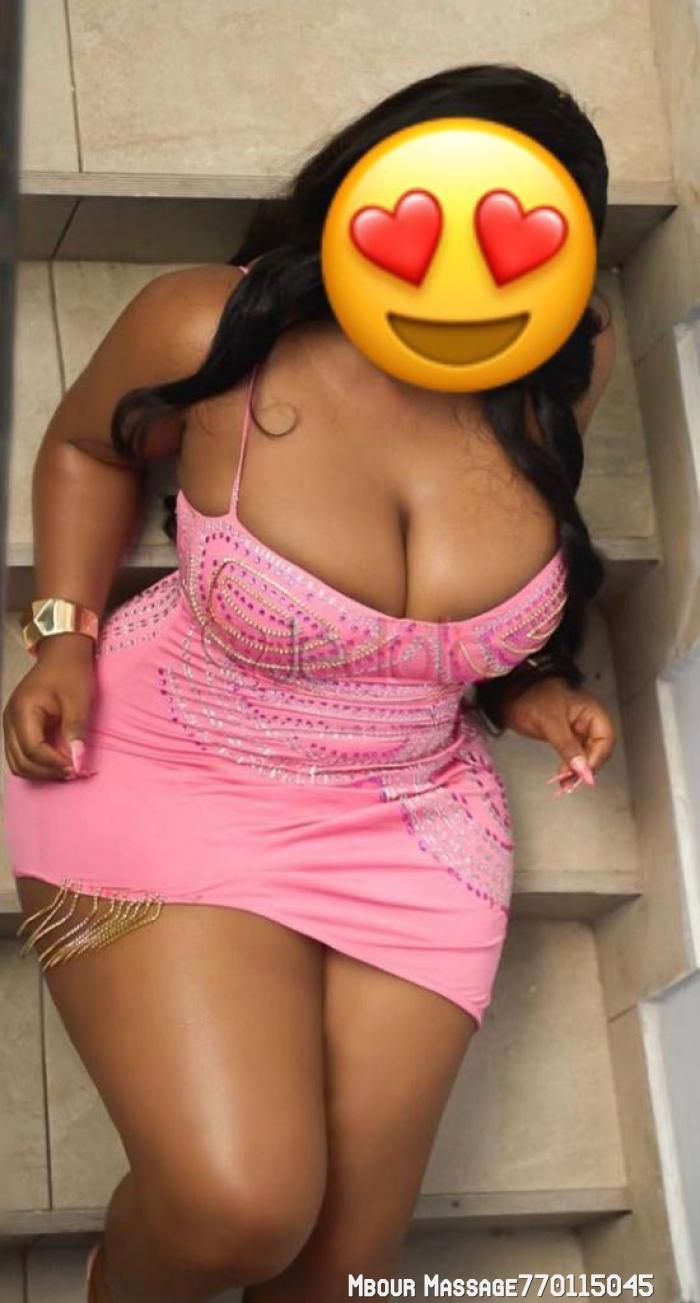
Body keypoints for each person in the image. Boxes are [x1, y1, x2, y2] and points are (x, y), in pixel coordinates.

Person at [3, 62, 616, 1303]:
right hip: (178, 760)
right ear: (364, 197)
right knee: (236, 1210)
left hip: (413, 813)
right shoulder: (211, 327)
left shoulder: (559, 360)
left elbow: (480, 582)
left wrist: (526, 688)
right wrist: (62, 632)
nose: (461, 275)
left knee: (337, 1277)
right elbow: (83, 445)